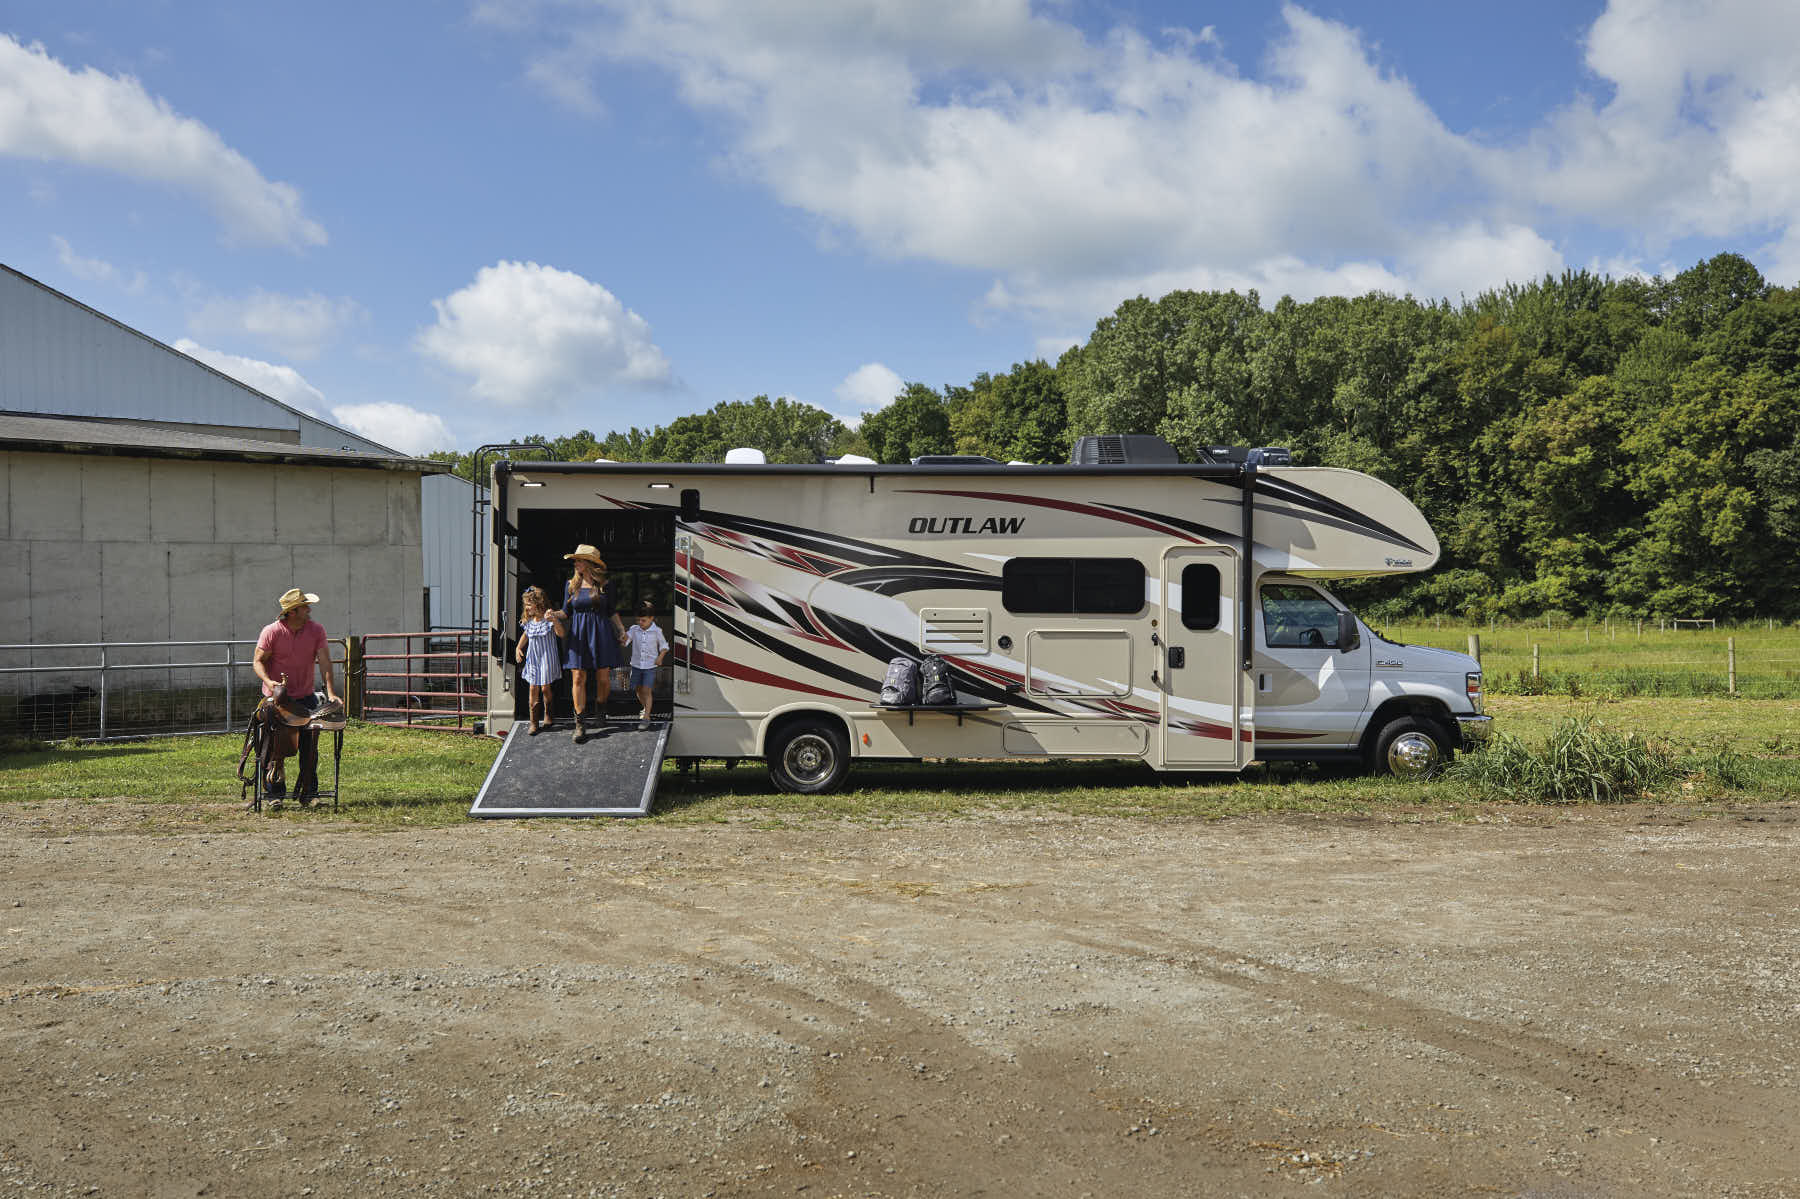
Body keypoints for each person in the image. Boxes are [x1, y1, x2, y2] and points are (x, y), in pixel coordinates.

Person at [252, 588, 341, 809]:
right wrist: (269, 682)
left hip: (306, 697)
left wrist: (331, 693)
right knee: (274, 746)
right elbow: (258, 661)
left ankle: (309, 792)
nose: (309, 609)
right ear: (292, 612)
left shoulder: (316, 631)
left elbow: (325, 662)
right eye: (304, 606)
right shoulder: (271, 632)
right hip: (278, 699)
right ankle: (274, 793)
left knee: (310, 748)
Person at [550, 544, 629, 743]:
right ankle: (580, 724)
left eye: (578, 560)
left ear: (590, 563)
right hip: (578, 635)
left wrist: (621, 630)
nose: (575, 563)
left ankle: (601, 710)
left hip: (601, 632)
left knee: (603, 678)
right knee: (578, 677)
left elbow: (611, 610)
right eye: (575, 560)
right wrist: (552, 615)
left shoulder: (605, 585)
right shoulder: (570, 585)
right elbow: (565, 613)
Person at [514, 585, 565, 735]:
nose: (527, 608)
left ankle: (548, 714)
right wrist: (518, 648)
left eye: (529, 604)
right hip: (533, 659)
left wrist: (554, 620)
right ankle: (534, 722)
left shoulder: (548, 619)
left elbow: (561, 634)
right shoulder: (529, 621)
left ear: (539, 604)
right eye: (526, 605)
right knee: (532, 688)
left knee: (545, 688)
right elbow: (525, 635)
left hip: (547, 658)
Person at [623, 600, 670, 724]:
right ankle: (645, 708)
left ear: (651, 618)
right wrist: (622, 637)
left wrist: (660, 657)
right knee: (638, 690)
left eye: (643, 620)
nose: (640, 623)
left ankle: (647, 716)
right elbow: (625, 641)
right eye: (638, 620)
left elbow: (664, 646)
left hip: (650, 666)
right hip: (636, 665)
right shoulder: (634, 629)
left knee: (646, 690)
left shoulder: (657, 631)